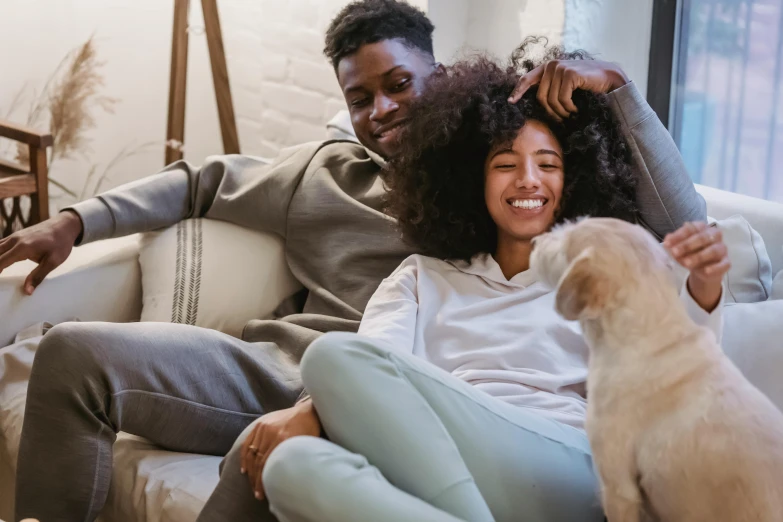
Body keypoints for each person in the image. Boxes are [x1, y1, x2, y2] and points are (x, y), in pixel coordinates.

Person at [1, 1, 705, 520]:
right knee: (69, 352)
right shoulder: (328, 173)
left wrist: (615, 92)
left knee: (279, 437)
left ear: (444, 77)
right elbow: (203, 180)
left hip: (409, 399)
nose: (382, 109)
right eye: (359, 98)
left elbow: (686, 234)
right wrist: (75, 219)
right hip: (289, 370)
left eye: (399, 84)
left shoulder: (521, 188)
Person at [252, 52, 729, 522]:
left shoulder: (604, 276)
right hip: (440, 460)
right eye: (505, 164)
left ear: (576, 179)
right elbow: (375, 367)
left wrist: (704, 284)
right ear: (472, 181)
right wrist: (318, 408)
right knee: (292, 468)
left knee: (329, 357)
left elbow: (680, 358)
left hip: (566, 462)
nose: (527, 180)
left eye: (548, 164)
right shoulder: (421, 276)